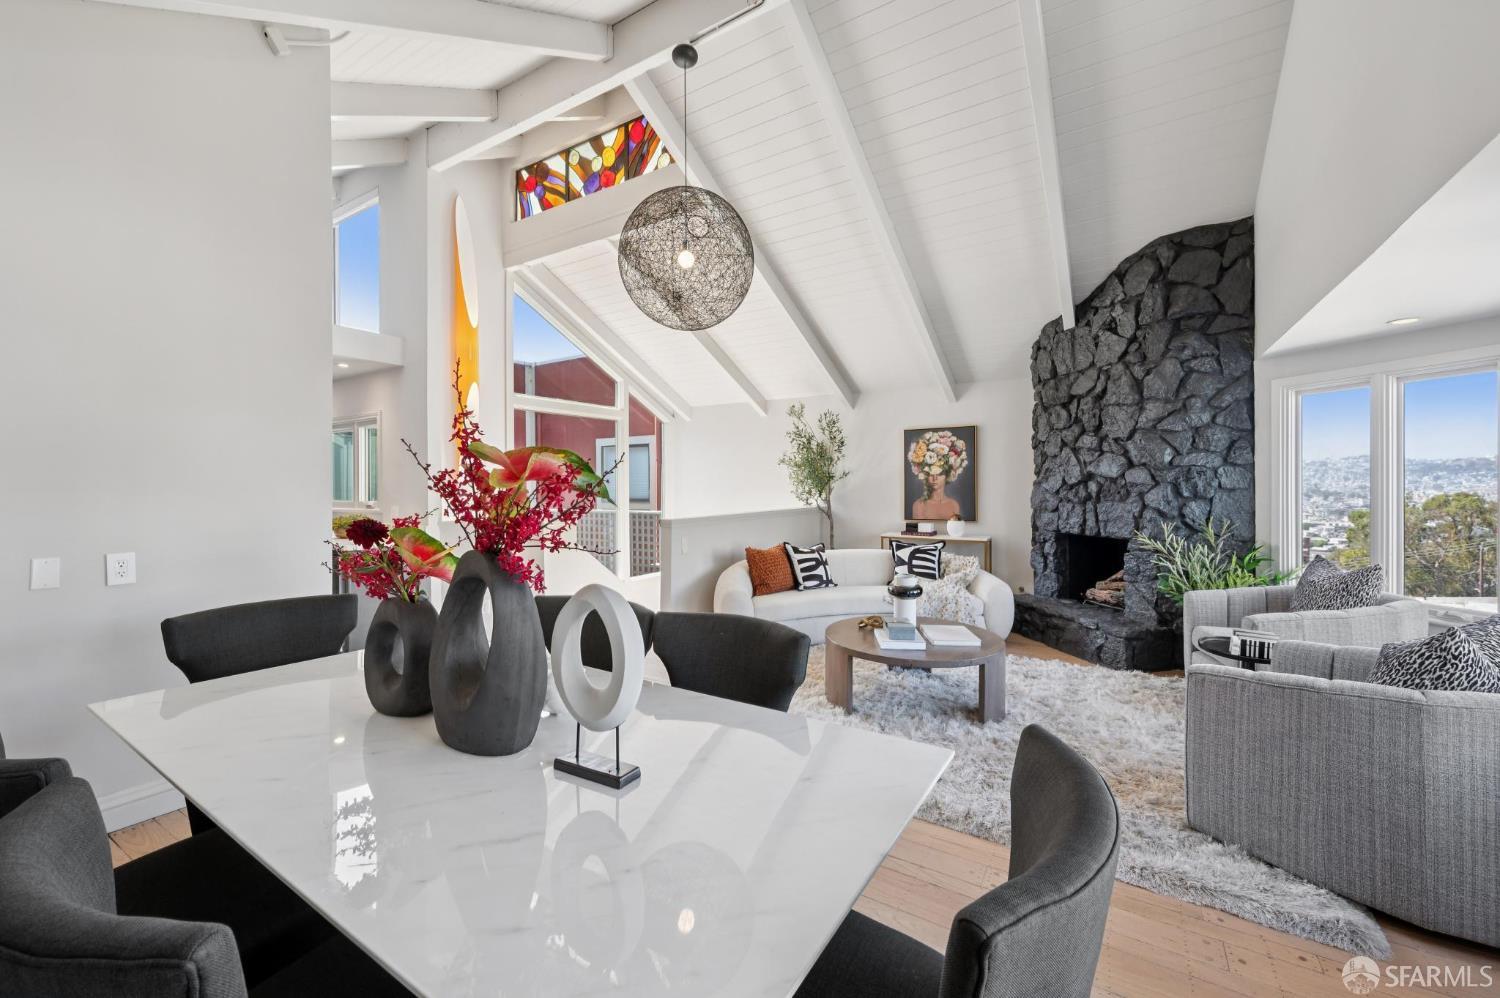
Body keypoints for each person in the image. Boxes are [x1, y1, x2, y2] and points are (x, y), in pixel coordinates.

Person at [907, 429, 968, 521]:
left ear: (947, 476)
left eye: (939, 474)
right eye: (931, 474)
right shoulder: (918, 505)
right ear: (926, 475)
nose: (935, 478)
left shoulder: (953, 505)